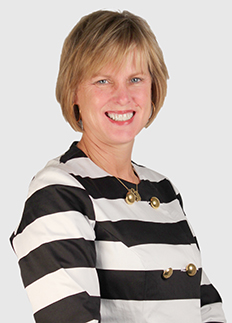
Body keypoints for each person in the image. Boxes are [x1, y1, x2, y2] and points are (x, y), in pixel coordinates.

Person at [10, 10, 226, 323]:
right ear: (74, 92)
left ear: (153, 89)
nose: (123, 96)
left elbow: (206, 308)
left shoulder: (163, 190)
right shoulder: (57, 193)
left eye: (135, 79)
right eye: (103, 80)